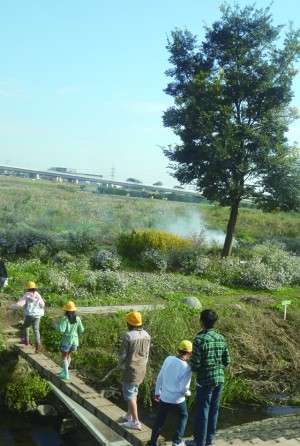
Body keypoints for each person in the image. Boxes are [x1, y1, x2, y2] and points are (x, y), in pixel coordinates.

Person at [185, 309, 230, 446]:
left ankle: (199, 441)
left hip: (205, 381)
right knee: (214, 410)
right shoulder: (221, 338)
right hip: (219, 379)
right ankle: (210, 440)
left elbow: (196, 364)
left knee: (202, 412)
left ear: (201, 322)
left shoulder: (199, 339)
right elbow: (227, 360)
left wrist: (191, 366)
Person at [148, 340, 193, 446]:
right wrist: (189, 393)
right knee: (183, 416)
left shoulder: (168, 359)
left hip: (165, 397)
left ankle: (153, 442)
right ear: (190, 353)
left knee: (160, 419)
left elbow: (160, 376)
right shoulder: (187, 368)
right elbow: (183, 389)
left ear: (178, 349)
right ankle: (177, 441)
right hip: (178, 400)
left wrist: (157, 392)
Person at [119, 310, 151, 431]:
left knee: (129, 395)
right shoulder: (147, 335)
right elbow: (147, 354)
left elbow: (122, 355)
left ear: (130, 323)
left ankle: (135, 421)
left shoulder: (128, 336)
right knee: (134, 392)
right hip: (142, 368)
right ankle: (129, 415)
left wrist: (121, 366)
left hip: (130, 369)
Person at [10, 281, 45, 353]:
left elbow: (20, 304)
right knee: (36, 329)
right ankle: (38, 343)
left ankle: (26, 341)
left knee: (26, 326)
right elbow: (42, 304)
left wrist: (10, 307)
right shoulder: (38, 295)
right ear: (34, 288)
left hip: (30, 314)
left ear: (28, 288)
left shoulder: (27, 295)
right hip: (38, 315)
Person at [53, 300, 84, 380]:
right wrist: (75, 334)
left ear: (66, 311)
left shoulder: (65, 319)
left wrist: (55, 325)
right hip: (75, 341)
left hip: (67, 341)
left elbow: (61, 330)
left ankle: (66, 374)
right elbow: (81, 330)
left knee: (64, 357)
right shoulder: (78, 319)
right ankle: (64, 371)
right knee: (69, 355)